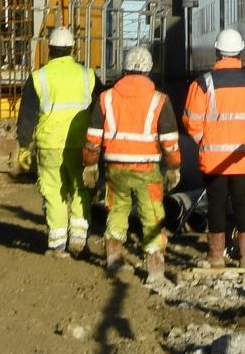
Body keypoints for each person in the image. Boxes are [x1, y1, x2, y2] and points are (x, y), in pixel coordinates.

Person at [82, 44, 180, 284]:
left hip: (115, 167)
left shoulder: (106, 97)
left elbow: (93, 138)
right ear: (148, 70)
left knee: (117, 211)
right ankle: (155, 271)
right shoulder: (159, 100)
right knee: (152, 215)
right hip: (146, 169)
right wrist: (173, 167)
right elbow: (169, 141)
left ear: (124, 69)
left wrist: (90, 164)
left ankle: (114, 261)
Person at [181, 26, 245, 269]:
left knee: (217, 204)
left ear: (217, 53)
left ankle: (216, 256)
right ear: (240, 52)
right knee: (242, 202)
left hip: (214, 159)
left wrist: (204, 140)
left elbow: (191, 120)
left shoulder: (204, 83)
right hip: (242, 157)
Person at [14, 25, 98, 257]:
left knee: (53, 192)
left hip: (49, 145)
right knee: (81, 189)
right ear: (72, 49)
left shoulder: (38, 77)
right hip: (80, 144)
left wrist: (24, 146)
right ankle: (79, 239)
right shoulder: (88, 75)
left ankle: (57, 244)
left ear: (49, 49)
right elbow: (100, 111)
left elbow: (27, 116)